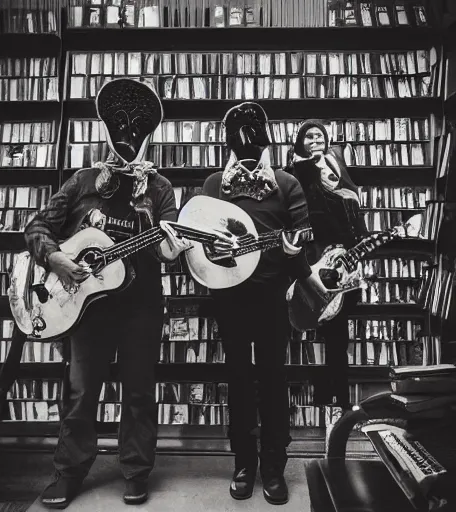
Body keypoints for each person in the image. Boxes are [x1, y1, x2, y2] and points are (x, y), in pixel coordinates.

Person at [23, 78, 191, 508]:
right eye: (119, 131)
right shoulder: (82, 181)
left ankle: (135, 471)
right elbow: (37, 227)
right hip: (85, 309)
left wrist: (151, 217)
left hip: (141, 307)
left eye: (136, 132)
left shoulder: (159, 189)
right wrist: (56, 258)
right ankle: (69, 471)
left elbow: (170, 250)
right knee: (81, 392)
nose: (127, 139)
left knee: (138, 391)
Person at [201, 102, 324, 505]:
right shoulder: (215, 183)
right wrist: (211, 246)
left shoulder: (286, 182)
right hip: (229, 297)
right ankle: (243, 463)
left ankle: (273, 465)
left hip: (272, 297)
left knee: (273, 379)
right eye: (239, 133)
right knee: (237, 379)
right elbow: (198, 239)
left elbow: (304, 230)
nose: (247, 141)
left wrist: (295, 250)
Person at [288, 119, 369, 409]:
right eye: (308, 136)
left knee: (338, 337)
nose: (315, 139)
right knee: (305, 329)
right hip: (313, 262)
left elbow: (352, 207)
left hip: (344, 261)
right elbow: (308, 214)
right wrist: (308, 167)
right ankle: (315, 402)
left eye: (319, 135)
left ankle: (343, 405)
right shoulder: (296, 172)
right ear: (300, 142)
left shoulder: (338, 166)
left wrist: (360, 246)